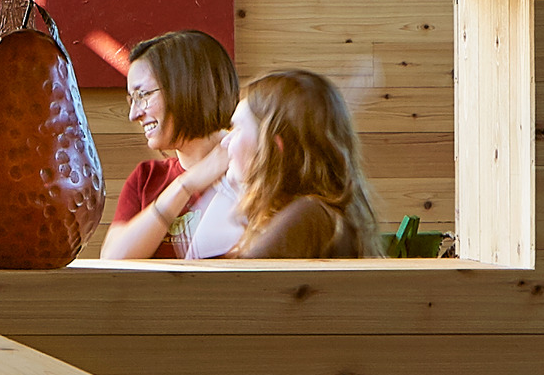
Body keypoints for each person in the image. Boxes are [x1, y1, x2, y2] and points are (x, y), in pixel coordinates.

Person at [101, 28, 244, 262]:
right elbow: (114, 257)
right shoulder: (146, 178)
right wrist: (185, 185)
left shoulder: (253, 169)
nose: (133, 114)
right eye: (131, 100)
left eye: (143, 95)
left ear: (188, 87)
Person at [216, 69, 385, 261]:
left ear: (273, 147)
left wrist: (189, 184)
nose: (225, 141)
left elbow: (232, 285)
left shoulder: (309, 215)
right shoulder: (310, 213)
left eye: (236, 128)